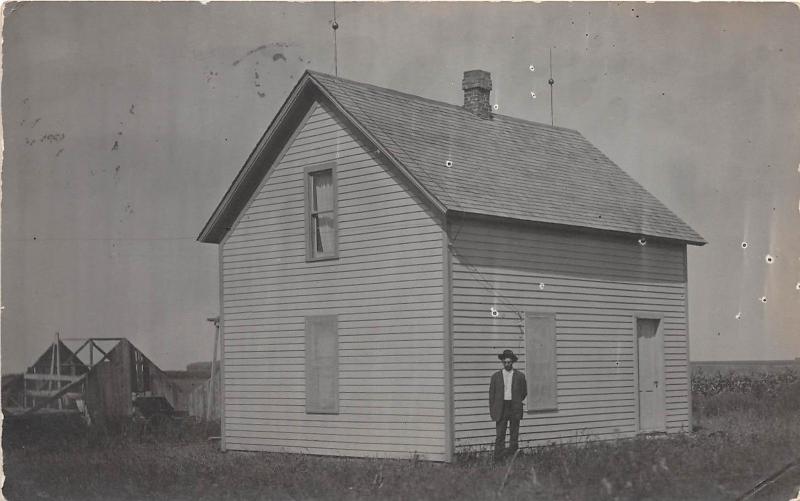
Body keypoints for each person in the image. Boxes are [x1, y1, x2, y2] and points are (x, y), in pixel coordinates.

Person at [489, 349, 527, 460]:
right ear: (502, 362)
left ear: (512, 362)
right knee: (500, 434)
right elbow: (492, 395)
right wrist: (493, 410)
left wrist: (516, 401)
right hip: (501, 408)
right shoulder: (495, 376)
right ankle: (498, 459)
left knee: (514, 434)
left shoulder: (520, 376)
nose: (507, 364)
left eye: (509, 362)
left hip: (514, 407)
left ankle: (513, 458)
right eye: (505, 362)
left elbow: (524, 392)